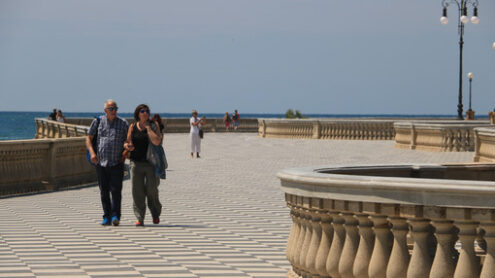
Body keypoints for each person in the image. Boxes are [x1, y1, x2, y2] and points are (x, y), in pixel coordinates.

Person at [86, 99, 129, 226]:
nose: (114, 111)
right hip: (101, 162)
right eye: (111, 109)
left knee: (116, 190)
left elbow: (128, 140)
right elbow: (88, 139)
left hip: (117, 162)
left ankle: (116, 215)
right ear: (105, 110)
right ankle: (107, 216)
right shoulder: (98, 122)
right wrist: (92, 153)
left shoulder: (123, 123)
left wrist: (125, 153)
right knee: (104, 191)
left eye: (115, 108)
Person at [124, 104, 163, 226]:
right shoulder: (132, 126)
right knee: (137, 191)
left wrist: (149, 129)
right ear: (138, 113)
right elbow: (127, 142)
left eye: (147, 111)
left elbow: (157, 141)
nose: (145, 113)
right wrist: (127, 146)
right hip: (136, 162)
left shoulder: (153, 125)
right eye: (142, 111)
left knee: (152, 189)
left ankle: (155, 212)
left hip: (151, 163)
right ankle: (140, 217)